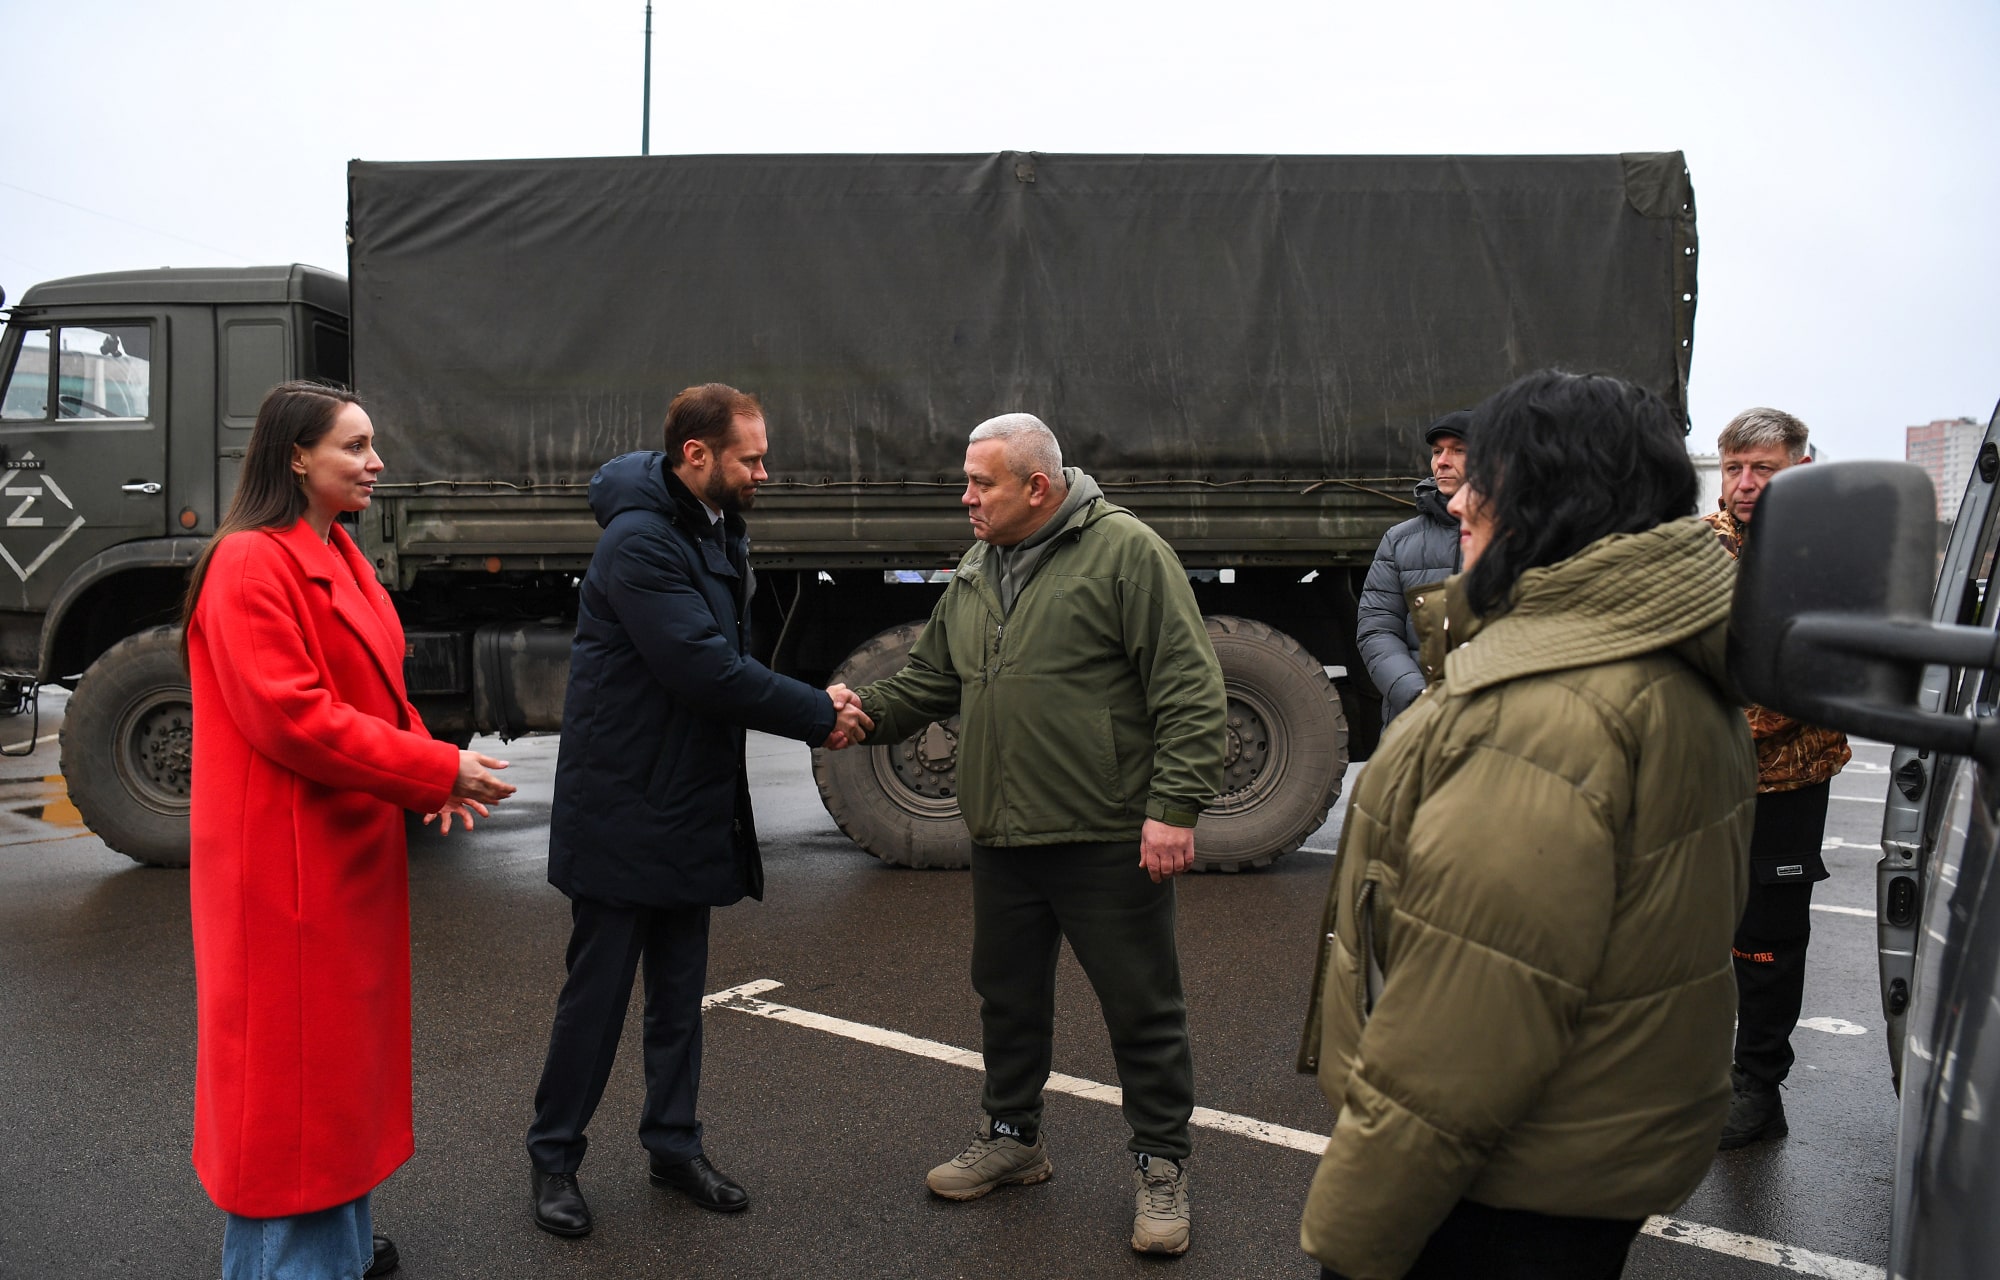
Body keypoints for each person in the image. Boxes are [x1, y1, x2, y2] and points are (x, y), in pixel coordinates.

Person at [1296, 370, 1755, 1280]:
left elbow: (1461, 1037)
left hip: (1503, 1185)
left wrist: (1350, 1241)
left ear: (1547, 505)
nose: (1459, 498)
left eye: (1484, 478)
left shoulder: (1543, 710)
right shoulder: (1652, 652)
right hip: (1591, 1151)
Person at [852, 412, 1226, 1257]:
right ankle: (1013, 1138)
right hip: (1004, 836)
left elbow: (1190, 687)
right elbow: (929, 680)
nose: (966, 497)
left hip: (1103, 835)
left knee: (1142, 1010)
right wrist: (850, 716)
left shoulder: (1127, 553)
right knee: (1009, 1000)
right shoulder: (981, 565)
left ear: (1038, 487)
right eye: (967, 480)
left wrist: (1174, 808)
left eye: (981, 482)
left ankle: (1162, 1164)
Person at [183, 380, 517, 1280]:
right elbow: (291, 716)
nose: (376, 463)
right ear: (295, 456)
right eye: (355, 446)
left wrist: (426, 765)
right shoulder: (253, 561)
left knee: (325, 1097)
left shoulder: (335, 551)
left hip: (333, 860)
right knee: (291, 1110)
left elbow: (376, 694)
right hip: (286, 876)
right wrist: (434, 768)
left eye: (372, 444)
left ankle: (335, 1252)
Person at [525, 383, 873, 1237]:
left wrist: (806, 705)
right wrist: (818, 713)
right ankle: (553, 1161)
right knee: (596, 1000)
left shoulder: (714, 526)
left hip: (684, 797)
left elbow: (721, 667)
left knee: (680, 997)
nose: (765, 470)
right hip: (622, 802)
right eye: (751, 458)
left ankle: (673, 1146)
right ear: (697, 457)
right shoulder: (641, 542)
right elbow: (703, 669)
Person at [1703, 406, 1850, 1149]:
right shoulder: (1697, 550)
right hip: (1701, 781)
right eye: (1734, 467)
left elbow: (1814, 675)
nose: (1745, 482)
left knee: (1767, 938)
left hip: (1788, 784)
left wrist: (1718, 716)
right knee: (1692, 931)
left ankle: (1758, 1089)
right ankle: (1696, 1079)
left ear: (1799, 467)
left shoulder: (1824, 554)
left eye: (1763, 467)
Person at [1355, 411, 1468, 723]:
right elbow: (1377, 629)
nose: (1442, 461)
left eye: (1459, 450)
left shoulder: (1518, 538)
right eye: (1436, 452)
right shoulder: (1399, 541)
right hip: (1414, 723)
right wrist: (1418, 696)